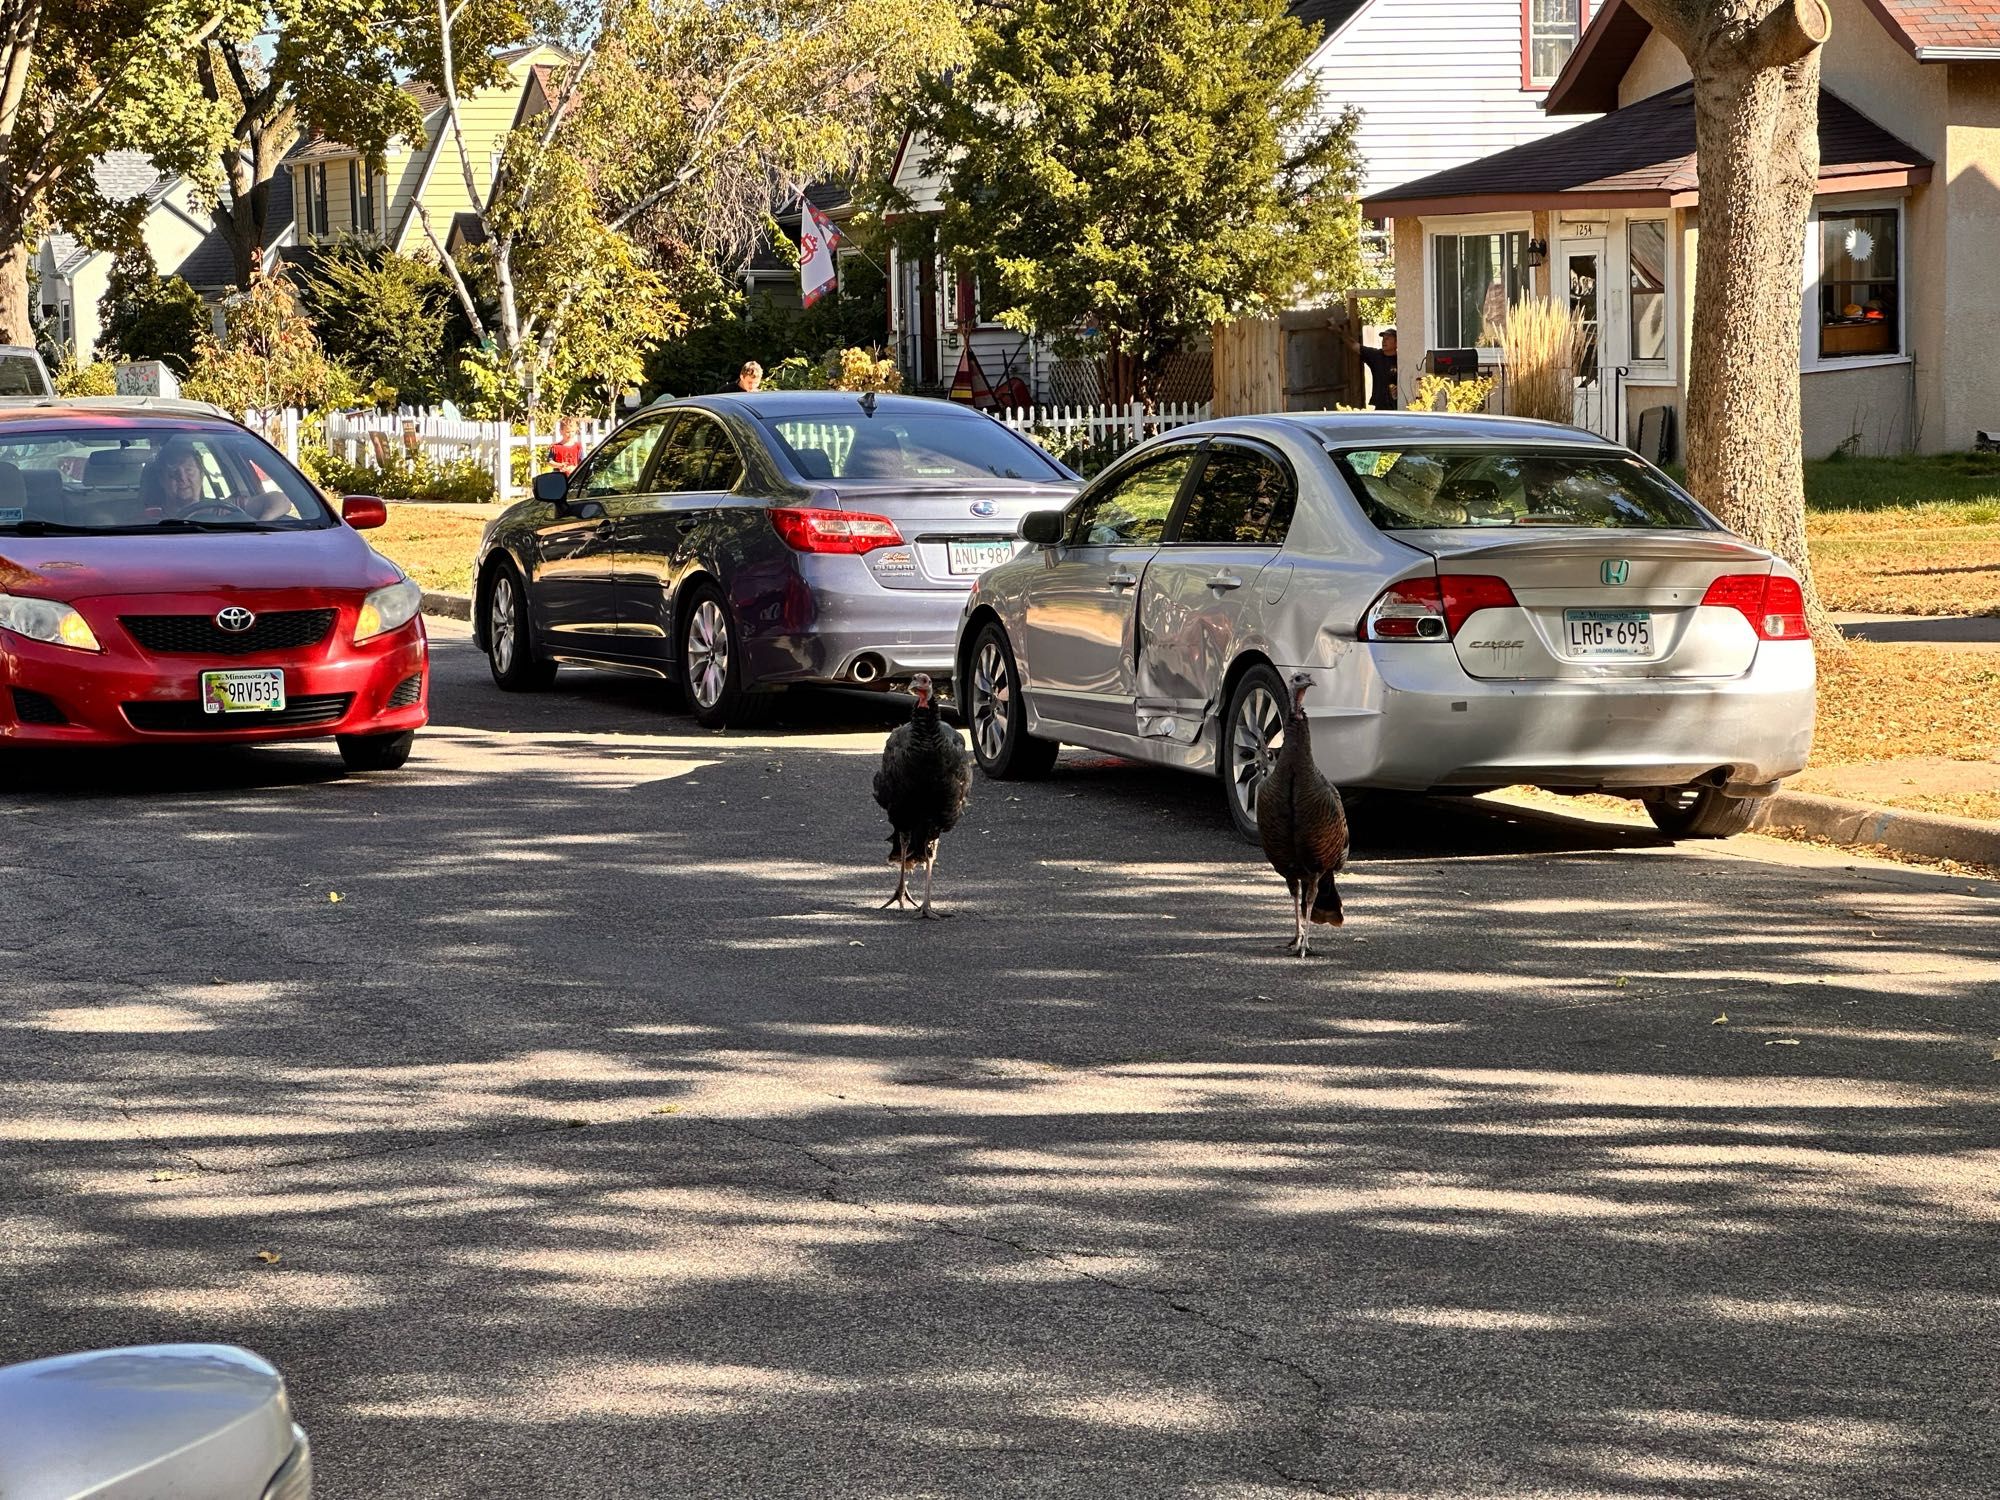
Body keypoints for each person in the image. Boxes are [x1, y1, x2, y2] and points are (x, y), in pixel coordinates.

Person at [1358, 328, 1399, 412]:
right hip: (1380, 406)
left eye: (1387, 339)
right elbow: (1355, 346)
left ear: (1397, 342)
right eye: (1383, 339)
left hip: (1398, 406)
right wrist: (1339, 332)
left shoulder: (1401, 359)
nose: (1384, 341)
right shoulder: (1376, 356)